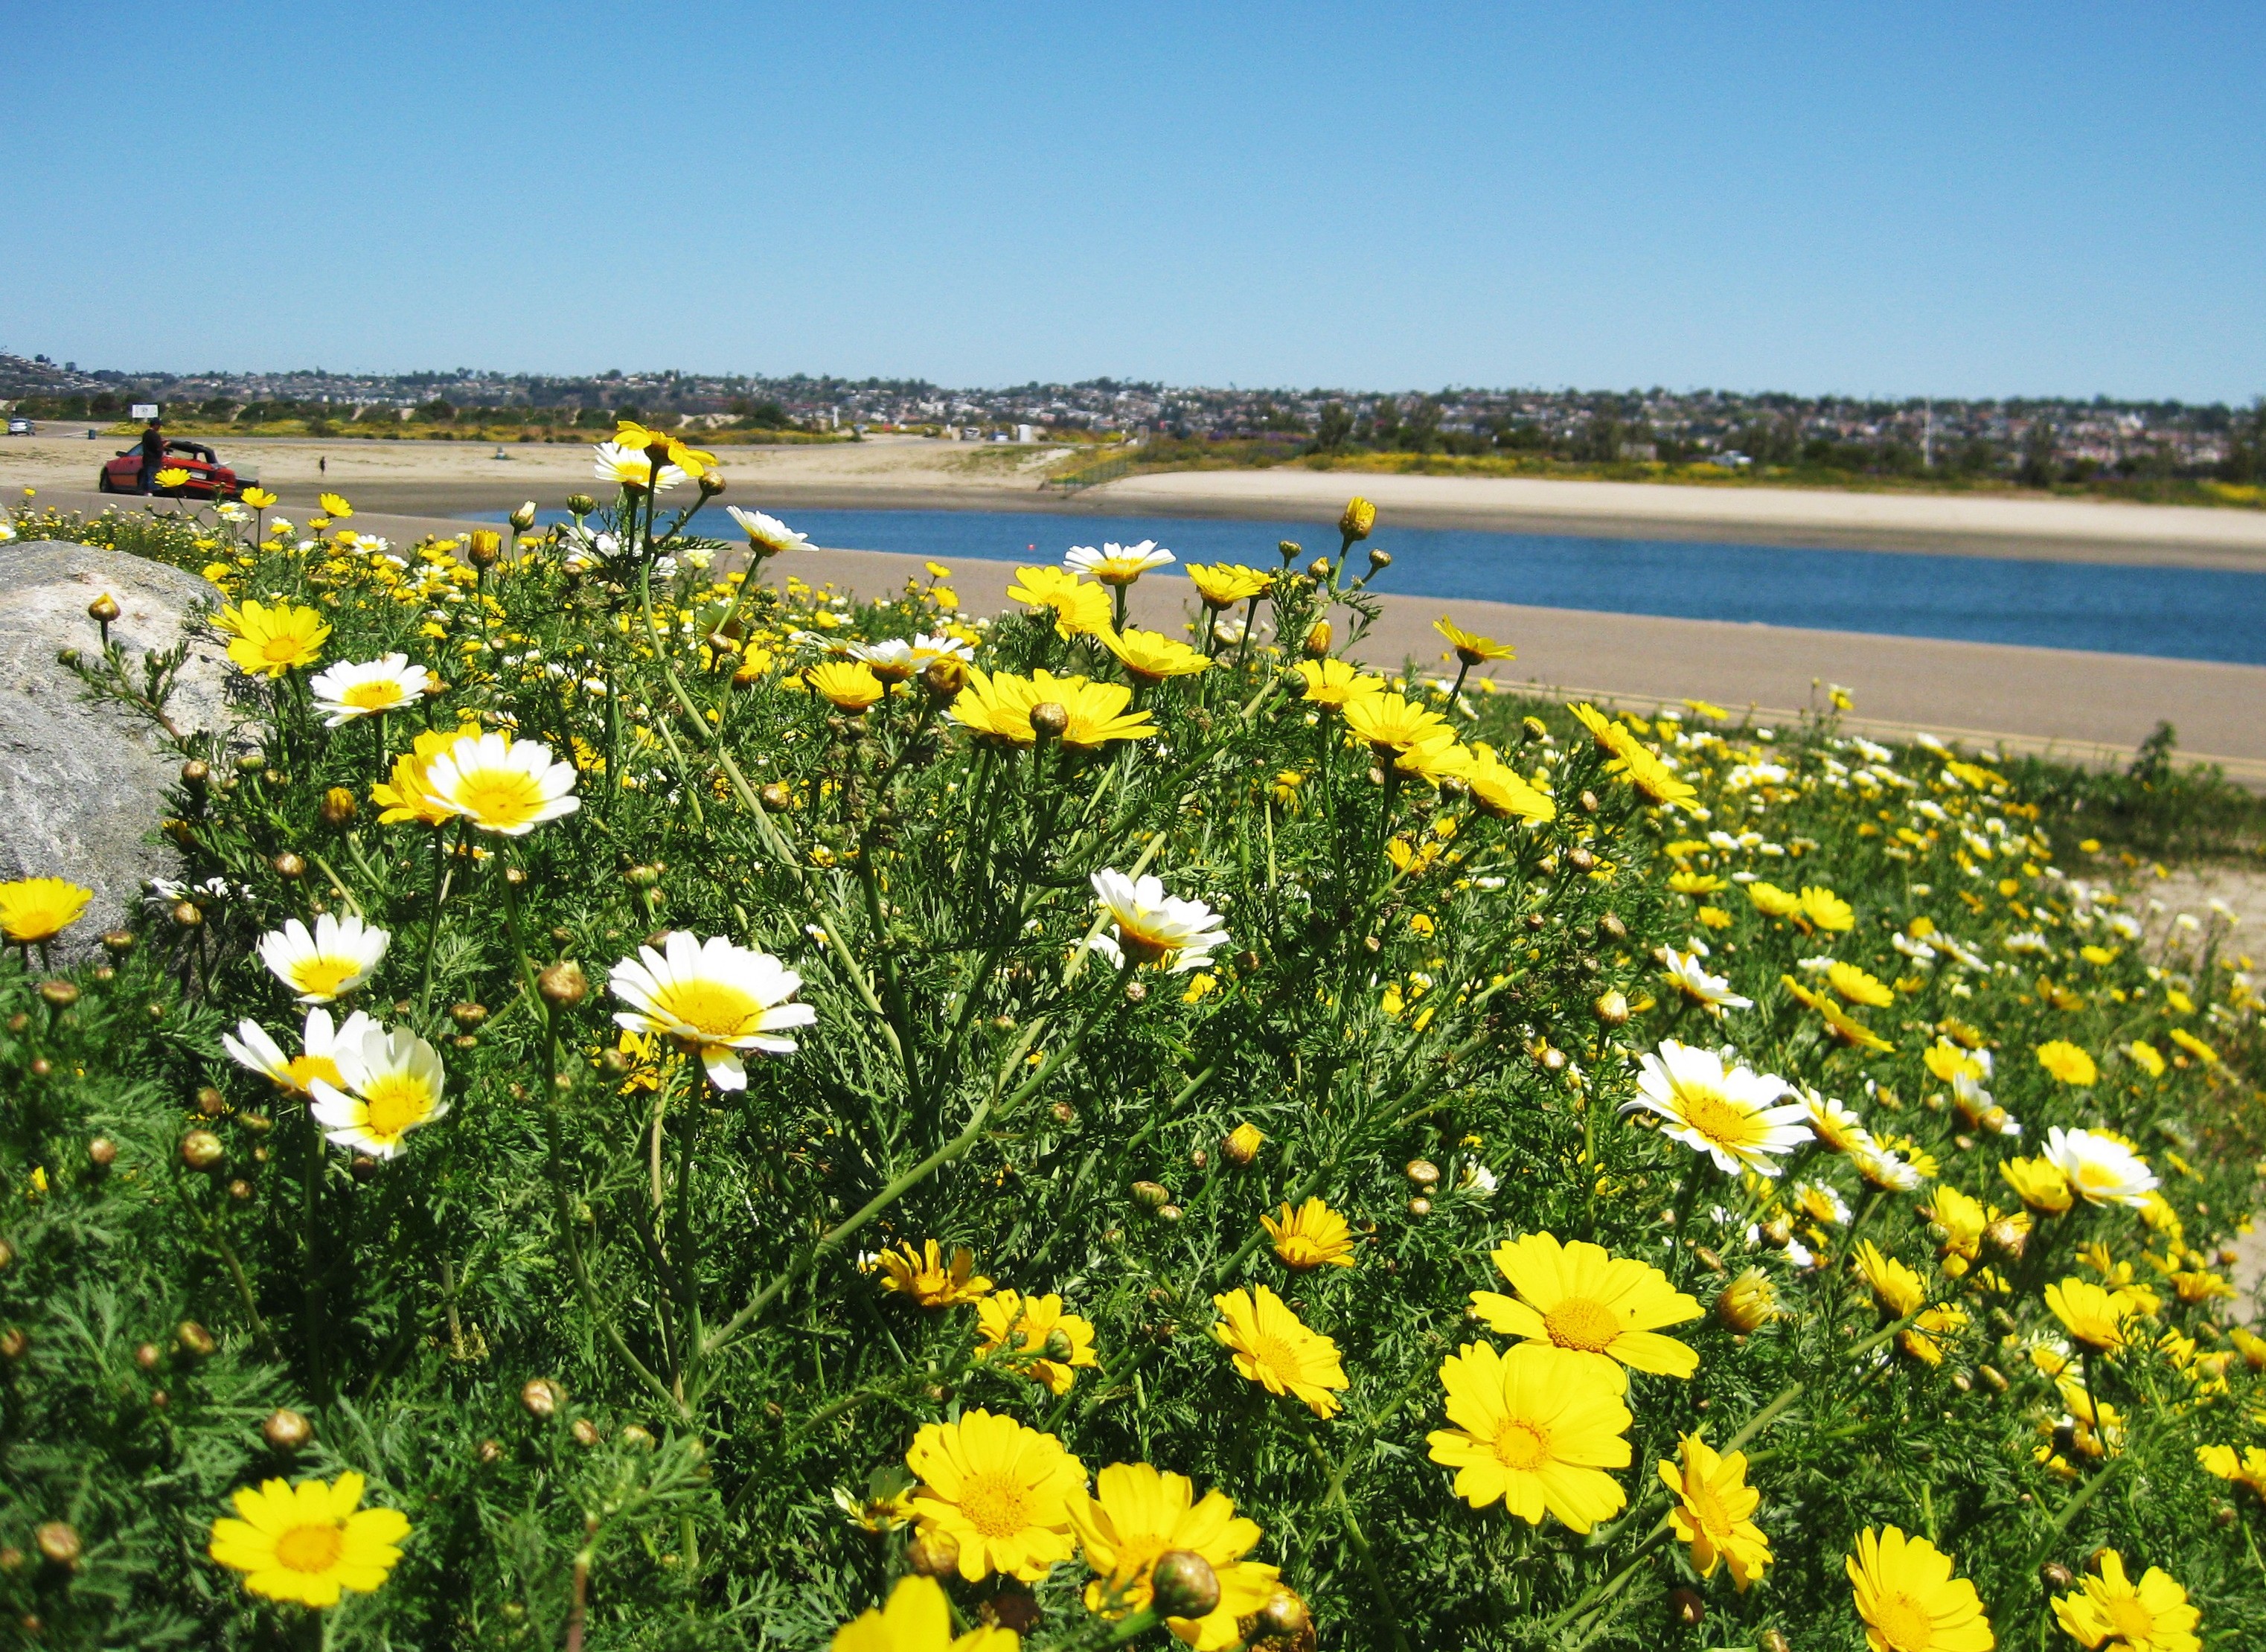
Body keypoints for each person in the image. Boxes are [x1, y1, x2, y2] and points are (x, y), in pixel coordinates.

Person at [138, 417, 164, 493]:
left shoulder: (146, 434)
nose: (160, 427)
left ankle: (145, 491)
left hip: (146, 459)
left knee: (147, 476)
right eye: (159, 425)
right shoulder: (155, 435)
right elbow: (159, 448)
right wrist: (166, 444)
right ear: (155, 425)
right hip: (154, 460)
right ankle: (151, 492)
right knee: (153, 478)